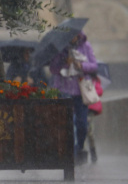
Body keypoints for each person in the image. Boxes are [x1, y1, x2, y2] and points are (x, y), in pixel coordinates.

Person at [49, 31, 98, 165]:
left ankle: (79, 148)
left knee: (82, 124)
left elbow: (94, 65)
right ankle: (68, 152)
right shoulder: (60, 47)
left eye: (74, 35)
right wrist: (65, 62)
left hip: (80, 90)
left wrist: (81, 65)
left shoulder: (85, 46)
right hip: (63, 89)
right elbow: (53, 69)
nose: (72, 37)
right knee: (66, 122)